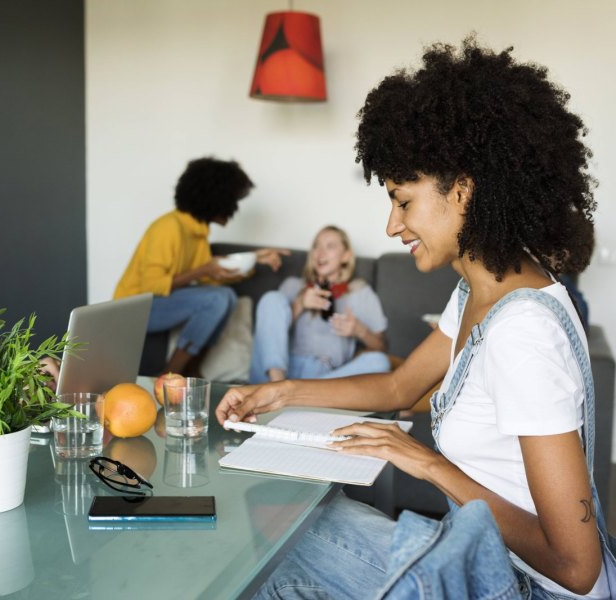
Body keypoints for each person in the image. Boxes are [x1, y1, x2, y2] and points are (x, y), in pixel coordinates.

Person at [216, 37, 611, 598]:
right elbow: (402, 384)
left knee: (276, 540)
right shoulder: (482, 287)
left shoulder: (524, 331)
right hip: (479, 560)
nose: (391, 225)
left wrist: (423, 461)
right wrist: (277, 395)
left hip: (527, 589)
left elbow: (577, 567)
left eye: (403, 200)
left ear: (465, 191)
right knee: (285, 525)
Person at [114, 157, 288, 376]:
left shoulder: (197, 232)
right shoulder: (168, 228)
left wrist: (254, 258)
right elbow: (152, 284)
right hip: (133, 308)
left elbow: (210, 277)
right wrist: (202, 271)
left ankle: (193, 367)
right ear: (216, 199)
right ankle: (169, 374)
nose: (235, 208)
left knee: (226, 296)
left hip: (155, 304)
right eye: (233, 200)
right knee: (218, 297)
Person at [249, 225, 389, 383]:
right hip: (280, 371)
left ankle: (295, 399)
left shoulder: (360, 292)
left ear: (346, 256)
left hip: (325, 378)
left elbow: (381, 347)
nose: (320, 253)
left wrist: (359, 330)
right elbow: (268, 334)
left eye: (330, 246)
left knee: (379, 362)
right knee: (271, 298)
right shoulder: (292, 285)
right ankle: (277, 388)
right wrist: (300, 304)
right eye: (316, 246)